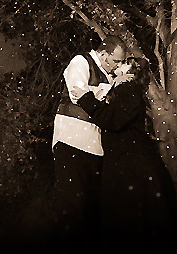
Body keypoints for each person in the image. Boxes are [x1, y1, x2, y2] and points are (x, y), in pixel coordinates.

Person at [76, 57, 177, 252]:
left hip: (131, 167)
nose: (118, 64)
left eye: (125, 62)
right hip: (129, 164)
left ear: (131, 72)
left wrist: (86, 100)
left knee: (130, 222)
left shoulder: (128, 89)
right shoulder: (123, 90)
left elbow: (114, 119)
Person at [51, 35, 128, 249]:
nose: (118, 66)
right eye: (116, 61)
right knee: (72, 205)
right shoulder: (81, 61)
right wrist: (108, 89)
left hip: (95, 147)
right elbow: (78, 95)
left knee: (91, 210)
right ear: (104, 53)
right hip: (71, 140)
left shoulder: (108, 75)